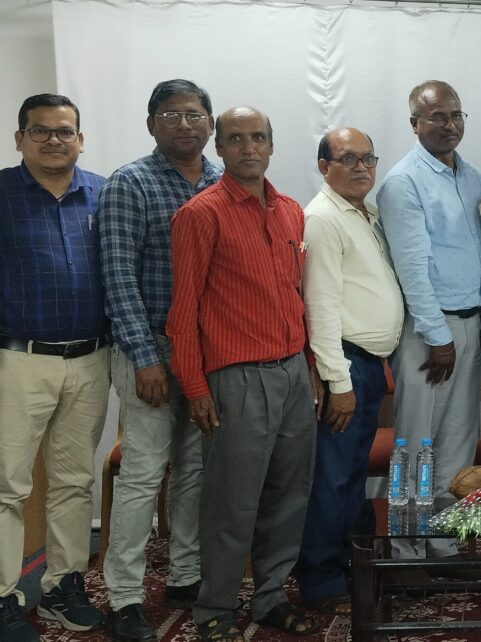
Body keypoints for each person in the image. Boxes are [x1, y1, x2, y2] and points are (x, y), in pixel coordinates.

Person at [167, 106, 321, 642]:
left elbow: (296, 296)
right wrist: (194, 387)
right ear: (220, 148)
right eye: (235, 139)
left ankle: (271, 596)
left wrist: (310, 368)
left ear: (272, 146)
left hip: (293, 372)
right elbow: (182, 313)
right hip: (237, 378)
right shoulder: (200, 214)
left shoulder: (290, 211)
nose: (248, 147)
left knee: (289, 494)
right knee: (232, 501)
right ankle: (214, 606)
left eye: (258, 137)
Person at [98, 79, 221, 642]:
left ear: (210, 123)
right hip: (148, 347)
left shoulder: (222, 182)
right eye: (170, 115)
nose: (184, 124)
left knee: (195, 469)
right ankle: (123, 595)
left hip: (208, 353)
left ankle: (185, 574)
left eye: (194, 114)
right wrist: (146, 358)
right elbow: (118, 276)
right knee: (144, 472)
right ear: (151, 124)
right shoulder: (130, 183)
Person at [0, 94, 108, 642]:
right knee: (7, 485)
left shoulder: (104, 193)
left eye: (64, 131)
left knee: (73, 481)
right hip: (17, 360)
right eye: (39, 131)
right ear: (20, 139)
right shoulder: (1, 193)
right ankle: (3, 594)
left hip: (91, 359)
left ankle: (63, 584)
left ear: (80, 140)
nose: (53, 140)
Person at [377, 80, 481, 563]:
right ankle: (405, 549)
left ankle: (443, 544)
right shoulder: (403, 183)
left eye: (456, 115)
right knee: (415, 446)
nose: (449, 125)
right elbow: (412, 268)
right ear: (415, 124)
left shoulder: (474, 178)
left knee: (458, 443)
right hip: (430, 332)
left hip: (473, 325)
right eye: (437, 116)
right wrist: (438, 336)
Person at [295, 128, 403, 614]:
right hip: (345, 363)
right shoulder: (321, 219)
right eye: (348, 159)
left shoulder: (366, 212)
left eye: (368, 158)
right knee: (332, 478)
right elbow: (319, 306)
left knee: (352, 473)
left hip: (370, 364)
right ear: (324, 166)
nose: (361, 168)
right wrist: (337, 382)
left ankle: (348, 567)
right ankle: (321, 581)